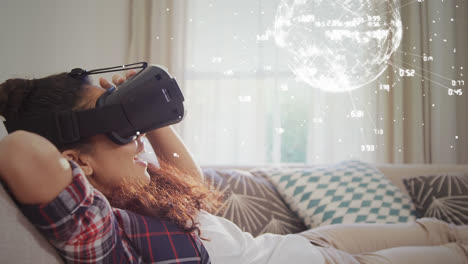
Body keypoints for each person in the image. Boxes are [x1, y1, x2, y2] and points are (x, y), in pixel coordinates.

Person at [0, 67, 467, 264]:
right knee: (455, 253)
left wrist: (145, 120)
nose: (135, 136)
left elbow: (193, 182)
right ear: (76, 162)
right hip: (330, 261)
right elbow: (20, 149)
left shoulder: (139, 189)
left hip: (298, 245)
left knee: (438, 229)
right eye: (119, 128)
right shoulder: (105, 234)